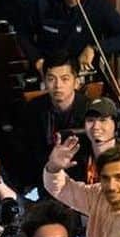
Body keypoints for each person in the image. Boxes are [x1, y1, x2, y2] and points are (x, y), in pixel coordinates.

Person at [15, 52, 89, 187]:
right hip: (44, 177)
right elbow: (26, 152)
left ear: (76, 82)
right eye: (51, 79)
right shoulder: (32, 109)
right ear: (44, 81)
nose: (58, 86)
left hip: (80, 180)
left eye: (65, 79)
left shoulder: (89, 111)